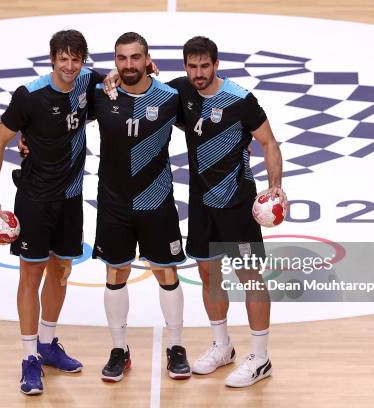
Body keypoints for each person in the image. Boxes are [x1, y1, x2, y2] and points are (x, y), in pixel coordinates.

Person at [105, 35, 287, 388]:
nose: (199, 73)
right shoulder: (182, 93)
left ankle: (261, 358)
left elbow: (269, 142)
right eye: (193, 66)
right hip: (203, 205)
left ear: (216, 65)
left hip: (236, 202)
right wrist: (116, 74)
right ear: (186, 67)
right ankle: (223, 346)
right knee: (208, 275)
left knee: (250, 278)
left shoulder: (240, 100)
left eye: (205, 66)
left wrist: (275, 187)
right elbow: (141, 84)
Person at [0, 29, 104, 395]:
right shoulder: (30, 96)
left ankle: (48, 344)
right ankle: (29, 357)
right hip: (34, 199)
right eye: (62, 59)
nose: (69, 66)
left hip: (71, 197)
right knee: (30, 275)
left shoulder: (88, 83)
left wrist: (148, 66)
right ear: (52, 59)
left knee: (61, 270)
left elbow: (120, 81)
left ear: (83, 60)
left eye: (76, 59)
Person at [89, 32, 191, 382]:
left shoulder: (171, 96)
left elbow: (207, 117)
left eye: (136, 58)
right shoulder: (100, 94)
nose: (129, 65)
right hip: (114, 203)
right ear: (114, 61)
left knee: (166, 272)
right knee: (115, 273)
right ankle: (119, 349)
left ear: (148, 60)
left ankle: (176, 346)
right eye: (122, 58)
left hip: (157, 200)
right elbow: (60, 118)